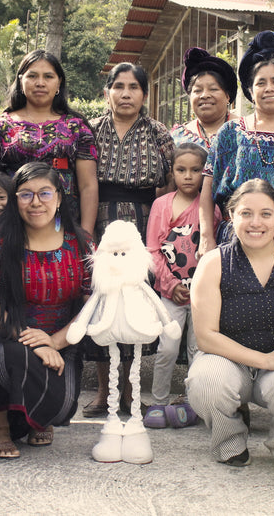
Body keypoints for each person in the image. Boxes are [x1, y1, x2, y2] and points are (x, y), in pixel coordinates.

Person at [187, 179, 274, 467]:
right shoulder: (214, 263)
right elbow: (206, 336)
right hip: (227, 362)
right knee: (206, 382)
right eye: (246, 213)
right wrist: (263, 359)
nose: (255, 222)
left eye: (266, 214)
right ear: (231, 215)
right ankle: (230, 440)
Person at [0, 162, 95, 459]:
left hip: (63, 338)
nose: (36, 202)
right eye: (25, 194)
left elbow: (94, 305)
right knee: (9, 357)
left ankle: (36, 417)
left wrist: (54, 341)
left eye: (45, 193)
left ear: (60, 198)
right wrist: (35, 342)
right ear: (15, 199)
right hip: (7, 335)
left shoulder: (81, 242)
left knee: (63, 405)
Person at [82, 63, 174, 418]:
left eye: (133, 87)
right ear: (106, 92)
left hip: (142, 222)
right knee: (104, 301)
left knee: (134, 302)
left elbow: (167, 185)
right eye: (117, 86)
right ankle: (104, 390)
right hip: (100, 222)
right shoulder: (90, 131)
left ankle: (131, 389)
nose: (125, 94)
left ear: (144, 95)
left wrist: (158, 227)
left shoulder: (158, 133)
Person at [199, 31, 274, 254]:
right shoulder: (230, 132)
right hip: (235, 238)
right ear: (251, 91)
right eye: (261, 83)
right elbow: (207, 191)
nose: (269, 88)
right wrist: (206, 237)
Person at [0, 50, 98, 235]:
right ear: (20, 80)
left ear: (59, 83)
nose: (40, 83)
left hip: (64, 224)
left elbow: (88, 185)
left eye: (48, 76)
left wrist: (86, 236)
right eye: (32, 76)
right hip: (11, 225)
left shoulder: (77, 127)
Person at [143, 143, 220, 424]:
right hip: (170, 292)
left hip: (202, 295)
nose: (188, 176)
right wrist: (170, 284)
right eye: (181, 170)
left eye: (196, 170)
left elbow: (215, 251)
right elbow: (153, 249)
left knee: (197, 349)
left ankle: (192, 403)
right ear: (172, 172)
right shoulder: (161, 206)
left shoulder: (211, 207)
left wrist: (202, 287)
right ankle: (158, 402)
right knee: (167, 347)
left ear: (206, 172)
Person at [170, 47, 238, 148]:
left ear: (227, 96)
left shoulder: (246, 131)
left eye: (213, 89)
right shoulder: (177, 137)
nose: (204, 95)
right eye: (198, 90)